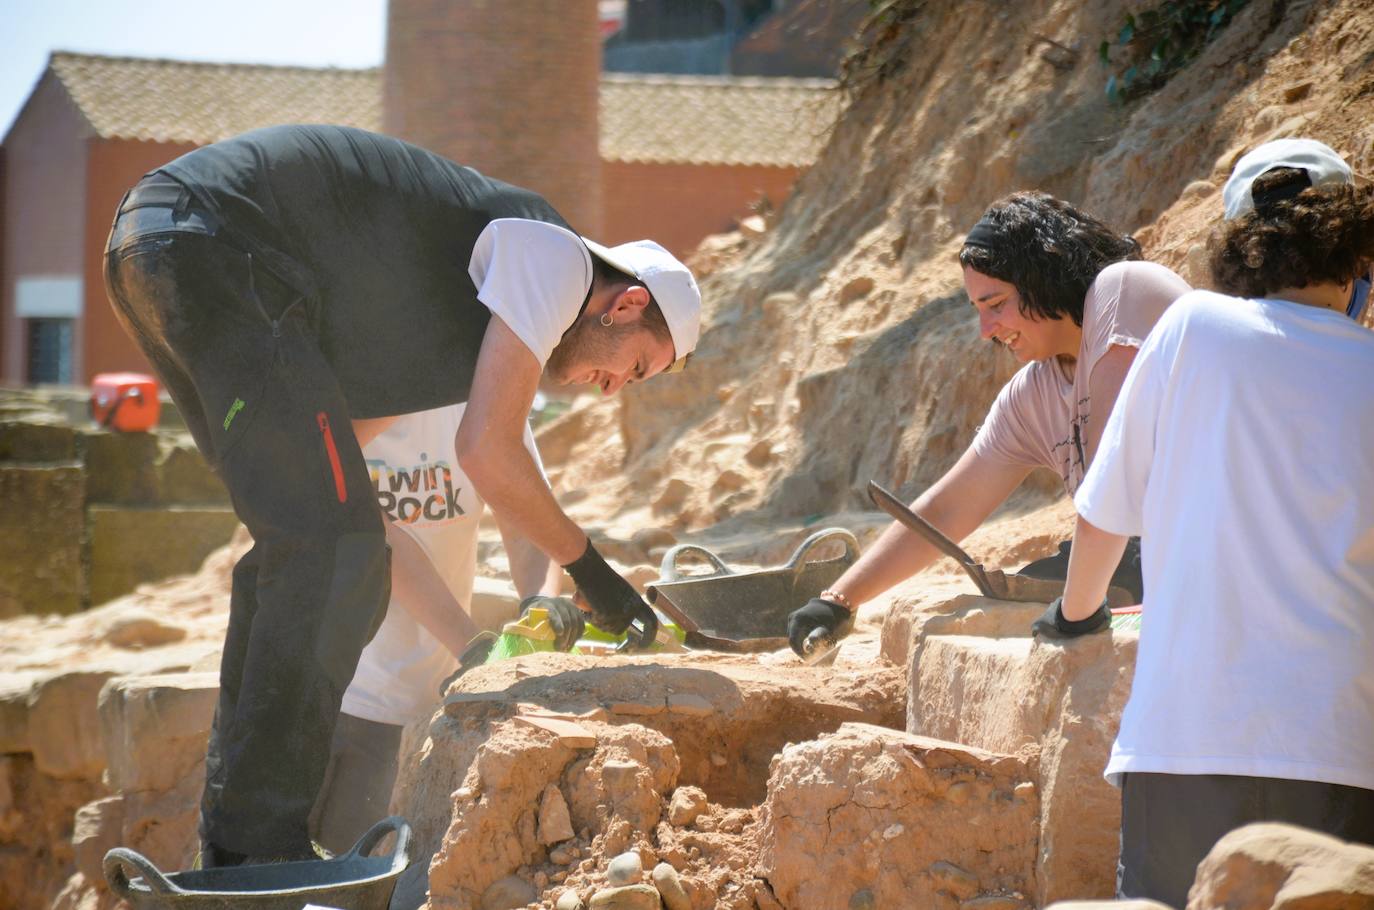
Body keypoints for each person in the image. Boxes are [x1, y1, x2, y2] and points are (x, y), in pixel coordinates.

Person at [102, 124, 701, 867]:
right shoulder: (554, 254)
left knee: (309, 537)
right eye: (635, 367)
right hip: (219, 244)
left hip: (163, 248)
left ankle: (234, 844)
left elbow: (344, 452)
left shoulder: (468, 323)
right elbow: (487, 450)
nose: (612, 390)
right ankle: (259, 846)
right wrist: (593, 574)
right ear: (625, 303)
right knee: (335, 547)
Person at [1051, 138, 1374, 905]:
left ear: (1236, 249)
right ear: (1357, 254)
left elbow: (1102, 520)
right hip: (1343, 747)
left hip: (1188, 740)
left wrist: (1074, 616)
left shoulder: (1192, 327)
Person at [787, 192, 1189, 655]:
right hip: (1145, 561)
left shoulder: (1125, 292)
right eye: (978, 310)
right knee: (1037, 591)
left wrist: (1077, 614)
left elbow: (1112, 478)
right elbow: (946, 511)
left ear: (1045, 276)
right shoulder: (1033, 393)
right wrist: (837, 601)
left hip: (1228, 551)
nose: (986, 329)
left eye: (995, 303)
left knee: (1080, 592)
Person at [308, 403, 575, 854]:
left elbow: (528, 517)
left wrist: (541, 599)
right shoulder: (344, 406)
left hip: (427, 710)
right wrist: (473, 647)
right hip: (337, 702)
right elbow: (379, 545)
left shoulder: (479, 396)